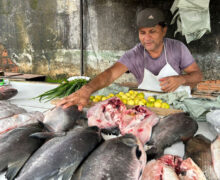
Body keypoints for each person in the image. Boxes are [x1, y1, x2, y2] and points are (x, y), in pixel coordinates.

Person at [57, 8, 203, 110]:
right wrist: (86, 90)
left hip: (176, 106)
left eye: (152, 32)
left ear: (164, 31)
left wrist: (181, 79)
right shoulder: (134, 54)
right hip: (147, 108)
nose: (147, 38)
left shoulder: (177, 48)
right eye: (142, 33)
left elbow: (198, 75)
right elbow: (109, 75)